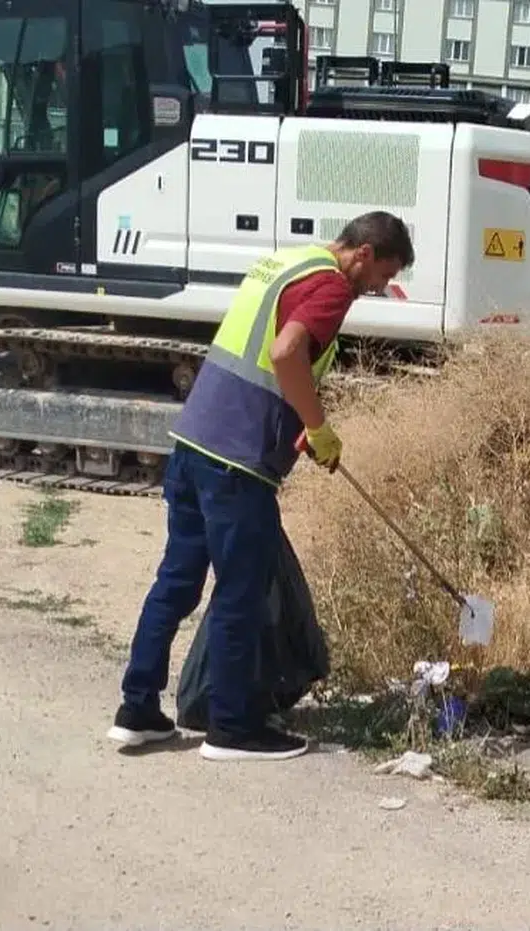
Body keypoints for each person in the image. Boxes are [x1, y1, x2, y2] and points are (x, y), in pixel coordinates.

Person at [107, 211, 415, 762]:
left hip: (194, 443)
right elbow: (284, 352)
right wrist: (318, 428)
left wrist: (296, 420)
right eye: (378, 277)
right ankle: (232, 728)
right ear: (364, 254)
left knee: (176, 582)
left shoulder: (290, 260)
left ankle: (137, 713)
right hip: (237, 463)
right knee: (241, 593)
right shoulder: (331, 285)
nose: (371, 290)